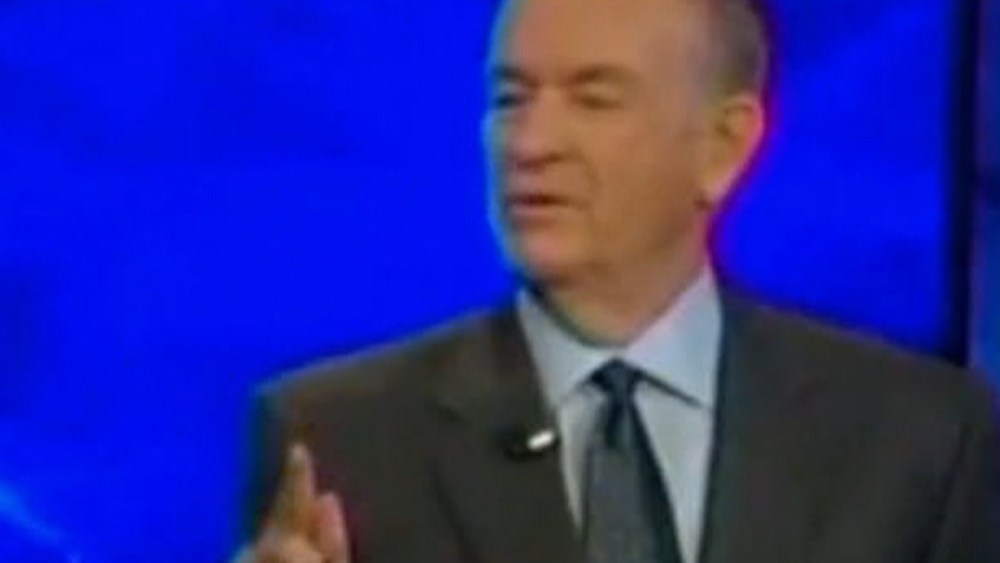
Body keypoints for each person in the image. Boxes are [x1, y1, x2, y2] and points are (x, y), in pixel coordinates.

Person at [235, 0, 1000, 561]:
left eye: (594, 98)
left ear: (723, 146)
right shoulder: (341, 441)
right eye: (511, 98)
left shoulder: (920, 441)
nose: (531, 142)